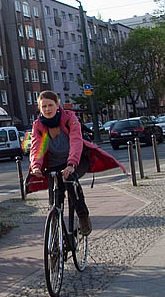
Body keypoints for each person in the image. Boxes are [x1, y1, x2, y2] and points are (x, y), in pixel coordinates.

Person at [29, 91, 125, 236]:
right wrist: (36, 165)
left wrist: (71, 164)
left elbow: (76, 141)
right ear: (39, 108)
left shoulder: (69, 119)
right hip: (54, 164)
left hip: (76, 160)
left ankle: (83, 216)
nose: (47, 109)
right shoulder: (39, 126)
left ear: (57, 105)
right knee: (55, 198)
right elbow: (38, 148)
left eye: (50, 105)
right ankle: (56, 233)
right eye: (44, 107)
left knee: (70, 180)